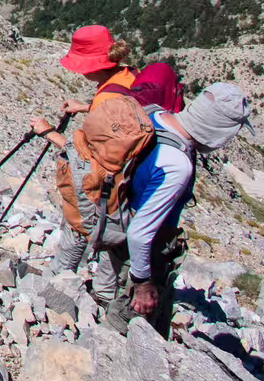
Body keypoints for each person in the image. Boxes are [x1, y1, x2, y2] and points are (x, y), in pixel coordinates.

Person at [105, 82, 252, 335]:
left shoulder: (154, 115)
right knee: (127, 333)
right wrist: (142, 284)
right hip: (143, 257)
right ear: (218, 131)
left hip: (122, 224)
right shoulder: (177, 164)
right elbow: (140, 234)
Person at [34, 25, 140, 274]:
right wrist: (86, 107)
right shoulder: (130, 76)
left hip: (105, 191)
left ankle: (58, 284)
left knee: (77, 226)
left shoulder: (107, 100)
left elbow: (91, 160)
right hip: (131, 187)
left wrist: (49, 133)